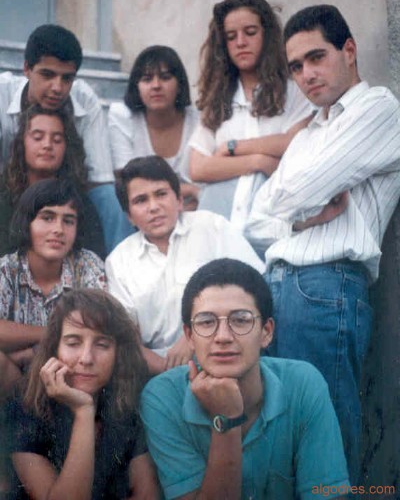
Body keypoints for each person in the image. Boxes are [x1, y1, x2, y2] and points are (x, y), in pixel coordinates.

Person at [246, 4, 400, 482]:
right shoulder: (308, 134)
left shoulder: (379, 108)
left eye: (317, 57)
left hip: (326, 286)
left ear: (348, 50)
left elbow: (294, 192)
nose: (306, 75)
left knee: (323, 437)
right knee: (281, 436)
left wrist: (292, 203)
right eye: (296, 67)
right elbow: (255, 221)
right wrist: (300, 223)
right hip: (278, 285)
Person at [140, 258, 350, 499]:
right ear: (189, 336)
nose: (223, 337)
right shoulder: (163, 397)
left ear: (266, 332)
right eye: (206, 322)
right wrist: (227, 419)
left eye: (240, 320)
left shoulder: (304, 384)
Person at [105, 155, 264, 375]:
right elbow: (126, 338)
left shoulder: (212, 227)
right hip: (159, 368)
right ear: (129, 216)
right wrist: (170, 375)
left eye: (161, 194)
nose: (154, 207)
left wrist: (193, 336)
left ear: (179, 199)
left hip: (228, 350)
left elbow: (255, 286)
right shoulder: (119, 261)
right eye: (141, 200)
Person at [5, 288, 159, 499]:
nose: (86, 358)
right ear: (54, 349)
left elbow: (147, 493)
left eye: (102, 345)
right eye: (73, 343)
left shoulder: (126, 405)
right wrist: (84, 410)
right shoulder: (26, 408)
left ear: (118, 354)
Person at [0, 23, 132, 253]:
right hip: (8, 188)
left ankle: (120, 265)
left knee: (107, 196)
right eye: (47, 75)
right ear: (27, 69)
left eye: (67, 78)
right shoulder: (2, 93)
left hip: (66, 190)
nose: (57, 87)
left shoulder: (85, 100)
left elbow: (98, 179)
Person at [189, 0, 313, 231]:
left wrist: (233, 148)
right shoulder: (217, 99)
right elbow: (198, 168)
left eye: (250, 32)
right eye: (231, 36)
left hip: (271, 228)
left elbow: (296, 144)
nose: (241, 42)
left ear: (266, 34)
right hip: (218, 226)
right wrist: (259, 161)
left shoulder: (294, 91)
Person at [0, 179, 106, 401]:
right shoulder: (7, 269)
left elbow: (95, 328)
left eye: (68, 221)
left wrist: (27, 354)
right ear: (27, 223)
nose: (58, 229)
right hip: (13, 386)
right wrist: (49, 333)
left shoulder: (86, 264)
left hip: (75, 379)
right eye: (47, 218)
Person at [0, 104, 105, 258]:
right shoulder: (3, 195)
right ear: (22, 143)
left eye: (57, 140)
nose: (47, 145)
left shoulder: (80, 203)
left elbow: (92, 258)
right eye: (38, 137)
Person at [108, 45, 200, 210]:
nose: (156, 85)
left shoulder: (198, 120)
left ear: (180, 84)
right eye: (147, 79)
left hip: (193, 209)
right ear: (136, 86)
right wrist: (189, 191)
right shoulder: (122, 116)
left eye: (165, 77)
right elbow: (127, 180)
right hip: (142, 208)